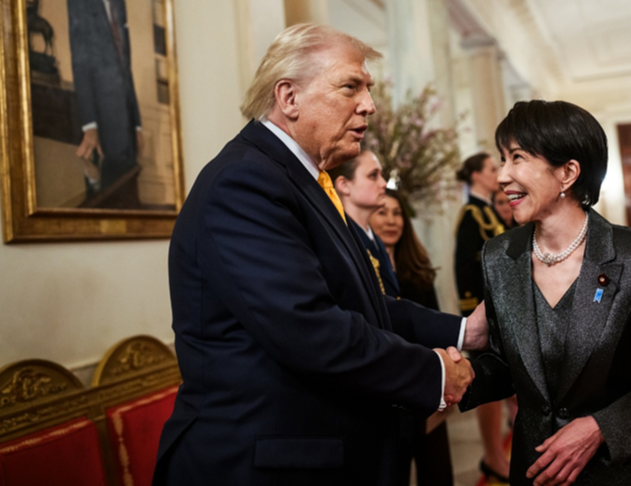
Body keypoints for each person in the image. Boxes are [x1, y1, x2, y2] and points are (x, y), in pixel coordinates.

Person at [153, 24, 488, 486]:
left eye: (367, 89)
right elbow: (309, 328)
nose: (369, 104)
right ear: (288, 97)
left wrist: (466, 329)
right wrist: (432, 372)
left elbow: (362, 305)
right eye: (351, 86)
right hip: (260, 466)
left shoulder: (301, 180)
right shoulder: (245, 183)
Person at [460, 100, 631, 486]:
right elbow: (506, 364)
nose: (502, 175)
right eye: (501, 159)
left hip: (619, 473)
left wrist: (601, 428)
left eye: (517, 158)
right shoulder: (499, 256)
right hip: (534, 472)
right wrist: (456, 376)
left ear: (568, 172)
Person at [371, 189, 455, 486]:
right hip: (388, 389)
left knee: (438, 470)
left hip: (426, 386)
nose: (392, 221)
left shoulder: (418, 267)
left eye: (397, 214)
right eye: (383, 212)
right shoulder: (363, 270)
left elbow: (436, 321)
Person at [454, 153, 511, 483]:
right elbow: (465, 268)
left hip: (498, 312)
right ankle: (492, 454)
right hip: (482, 315)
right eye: (492, 169)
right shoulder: (471, 213)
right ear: (476, 175)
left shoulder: (488, 208)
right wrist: (468, 314)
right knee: (486, 383)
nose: (498, 174)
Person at [67, 0, 143, 203]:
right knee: (109, 198)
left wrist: (136, 124)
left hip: (127, 121)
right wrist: (90, 124)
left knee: (128, 194)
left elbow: (126, 68)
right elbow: (79, 63)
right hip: (103, 118)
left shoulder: (118, 3)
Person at [328, 150, 400, 297]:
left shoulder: (374, 238)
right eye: (373, 175)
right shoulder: (341, 240)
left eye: (381, 175)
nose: (383, 184)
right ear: (344, 185)